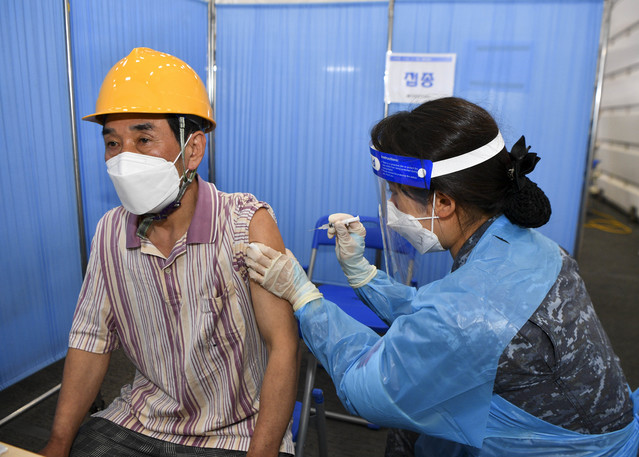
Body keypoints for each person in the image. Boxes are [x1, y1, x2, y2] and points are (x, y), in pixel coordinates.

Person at [246, 97, 639, 456]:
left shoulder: (470, 309)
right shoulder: (521, 245)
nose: (390, 207)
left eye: (395, 195)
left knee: (409, 433)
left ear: (444, 202)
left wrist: (304, 297)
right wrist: (362, 274)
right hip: (587, 426)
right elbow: (433, 316)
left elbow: (371, 386)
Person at [40, 48, 298, 457]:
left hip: (235, 433)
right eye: (113, 143)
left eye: (143, 139)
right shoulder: (110, 232)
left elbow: (283, 346)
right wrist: (56, 444)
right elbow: (90, 340)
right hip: (140, 421)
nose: (125, 159)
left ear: (193, 151)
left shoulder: (246, 224)